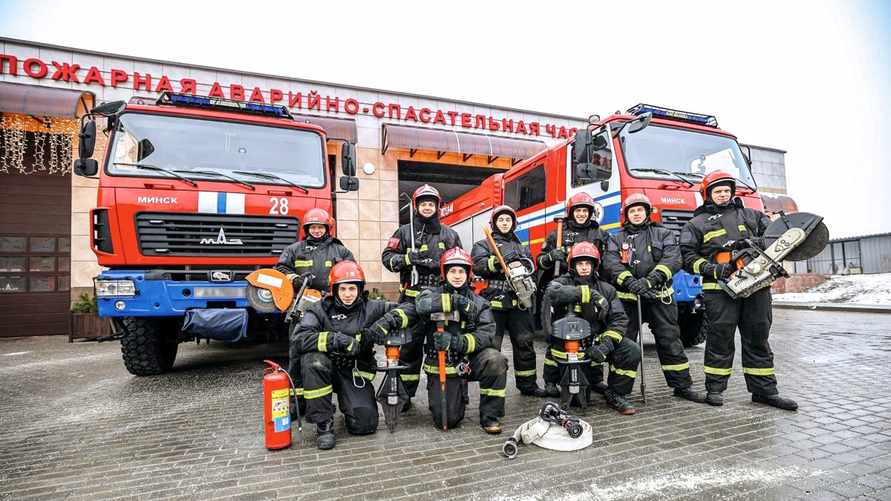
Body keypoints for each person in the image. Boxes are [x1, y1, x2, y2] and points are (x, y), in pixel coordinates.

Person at [679, 171, 797, 410]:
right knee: (719, 339)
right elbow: (687, 258)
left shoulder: (752, 215)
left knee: (758, 338)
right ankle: (714, 389)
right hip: (719, 291)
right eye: (718, 191)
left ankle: (765, 392)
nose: (723, 195)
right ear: (708, 195)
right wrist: (714, 269)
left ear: (732, 192)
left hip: (757, 287)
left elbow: (776, 238)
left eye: (726, 191)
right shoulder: (696, 224)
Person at [293, 261, 409, 449]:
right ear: (334, 289)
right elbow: (299, 338)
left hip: (354, 372)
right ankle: (324, 424)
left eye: (352, 289)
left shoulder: (372, 307)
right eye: (343, 289)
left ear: (360, 289)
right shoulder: (319, 309)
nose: (348, 294)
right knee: (312, 360)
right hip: (326, 368)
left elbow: (407, 310)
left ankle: (349, 403)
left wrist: (387, 322)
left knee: (365, 425)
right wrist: (336, 340)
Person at [603, 193, 705, 403]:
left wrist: (650, 281)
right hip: (628, 300)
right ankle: (617, 391)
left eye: (640, 210)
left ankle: (681, 386)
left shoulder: (664, 233)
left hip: (660, 298)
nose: (637, 214)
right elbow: (610, 263)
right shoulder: (616, 238)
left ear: (648, 212)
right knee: (625, 343)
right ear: (626, 215)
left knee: (670, 341)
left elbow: (673, 259)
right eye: (632, 211)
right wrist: (631, 282)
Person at [381, 184, 463, 410]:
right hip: (411, 300)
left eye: (431, 204)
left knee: (446, 345)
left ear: (438, 207)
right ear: (416, 207)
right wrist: (408, 259)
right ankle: (406, 396)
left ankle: (451, 393)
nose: (427, 207)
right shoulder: (403, 232)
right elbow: (387, 258)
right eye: (423, 203)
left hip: (441, 299)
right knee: (409, 348)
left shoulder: (450, 234)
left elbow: (461, 263)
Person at [409, 247, 508, 433]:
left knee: (496, 360)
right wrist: (455, 302)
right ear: (444, 273)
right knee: (447, 419)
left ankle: (490, 416)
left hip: (469, 359)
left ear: (468, 274)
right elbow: (421, 305)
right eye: (452, 271)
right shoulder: (430, 293)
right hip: (442, 362)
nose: (457, 275)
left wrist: (455, 342)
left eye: (461, 271)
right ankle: (457, 397)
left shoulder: (480, 303)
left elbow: (486, 335)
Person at [544, 242, 641, 415]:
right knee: (576, 401)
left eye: (587, 263)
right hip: (568, 347)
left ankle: (616, 394)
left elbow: (619, 320)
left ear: (594, 265)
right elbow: (552, 294)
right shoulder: (560, 282)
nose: (584, 267)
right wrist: (586, 294)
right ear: (573, 265)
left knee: (631, 350)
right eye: (580, 263)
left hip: (596, 342)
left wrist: (605, 345)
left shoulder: (607, 289)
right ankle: (560, 380)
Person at [275, 207, 355, 402]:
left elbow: (352, 272)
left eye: (321, 227)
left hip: (331, 308)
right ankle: (297, 401)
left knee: (333, 351)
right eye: (313, 227)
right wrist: (294, 279)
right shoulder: (294, 250)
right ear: (307, 229)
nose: (317, 231)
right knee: (296, 354)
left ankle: (343, 396)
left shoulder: (340, 250)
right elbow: (281, 270)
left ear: (327, 228)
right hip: (301, 309)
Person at [537, 192, 610, 393]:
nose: (581, 214)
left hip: (591, 286)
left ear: (590, 212)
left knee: (593, 333)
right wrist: (552, 255)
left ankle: (594, 379)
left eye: (584, 210)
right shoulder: (557, 233)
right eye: (577, 210)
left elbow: (608, 262)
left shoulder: (600, 234)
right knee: (558, 334)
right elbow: (540, 262)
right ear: (571, 212)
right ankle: (551, 380)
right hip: (564, 287)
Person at [470, 205, 546, 397]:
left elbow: (532, 270)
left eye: (508, 220)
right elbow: (477, 266)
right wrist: (497, 261)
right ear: (494, 223)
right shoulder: (484, 245)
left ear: (514, 223)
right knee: (492, 346)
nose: (505, 223)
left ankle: (528, 385)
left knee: (525, 343)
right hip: (494, 303)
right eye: (501, 220)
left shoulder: (522, 246)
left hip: (520, 301)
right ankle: (492, 388)